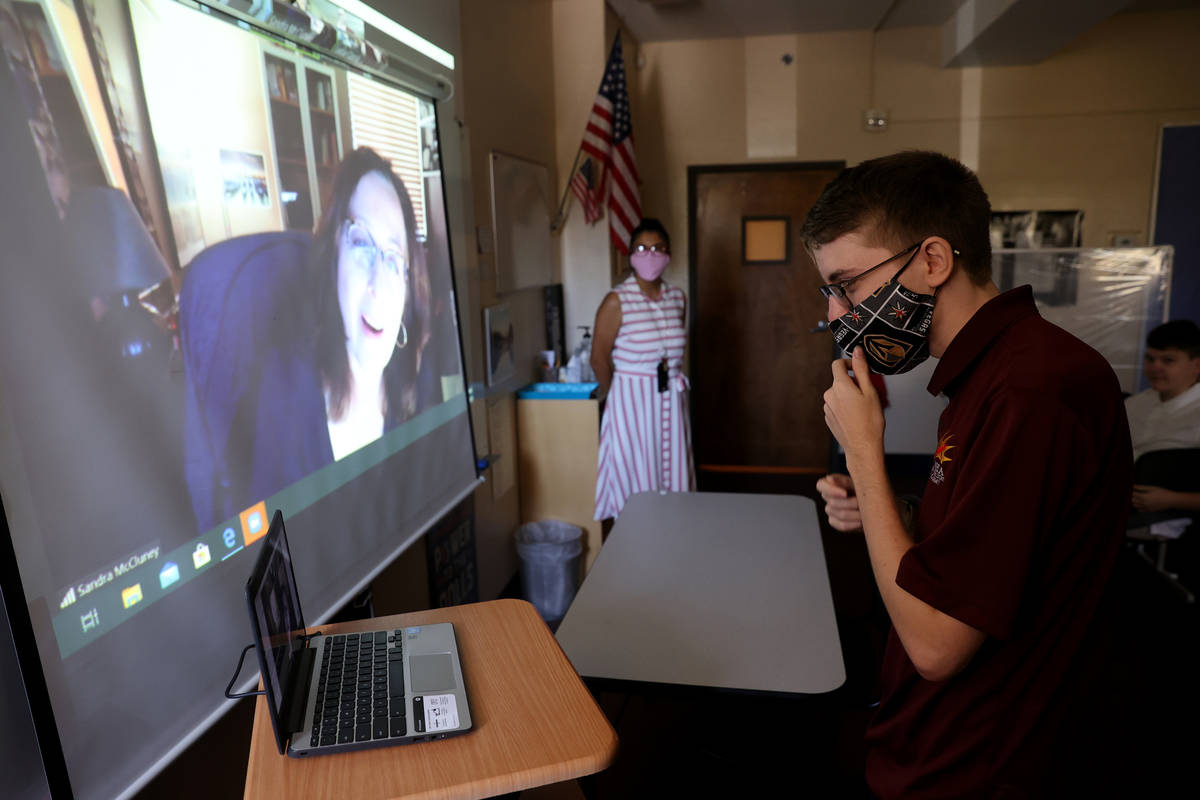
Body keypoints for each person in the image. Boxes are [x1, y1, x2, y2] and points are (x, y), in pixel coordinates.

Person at [806, 151, 1132, 798]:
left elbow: (936, 645)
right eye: (831, 293)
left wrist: (864, 455)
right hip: (938, 736)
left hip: (977, 761)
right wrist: (885, 510)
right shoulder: (989, 375)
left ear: (932, 260)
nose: (840, 315)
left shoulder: (1030, 390)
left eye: (849, 284)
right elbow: (973, 546)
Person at [183, 147, 431, 531]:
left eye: (394, 257)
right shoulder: (285, 398)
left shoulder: (415, 396)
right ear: (332, 258)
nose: (378, 284)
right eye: (362, 243)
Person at [591, 218, 695, 521]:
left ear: (669, 253)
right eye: (642, 248)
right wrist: (616, 400)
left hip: (671, 400)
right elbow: (598, 358)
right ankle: (635, 543)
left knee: (673, 468)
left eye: (657, 248)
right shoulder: (616, 301)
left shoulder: (677, 298)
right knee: (637, 469)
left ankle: (673, 540)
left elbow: (676, 349)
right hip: (631, 402)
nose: (650, 254)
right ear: (630, 255)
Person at [1124, 320, 1200, 514]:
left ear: (1196, 365)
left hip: (1178, 527)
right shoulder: (1133, 405)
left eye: (1168, 360)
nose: (1155, 367)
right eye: (1150, 359)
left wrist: (1175, 500)